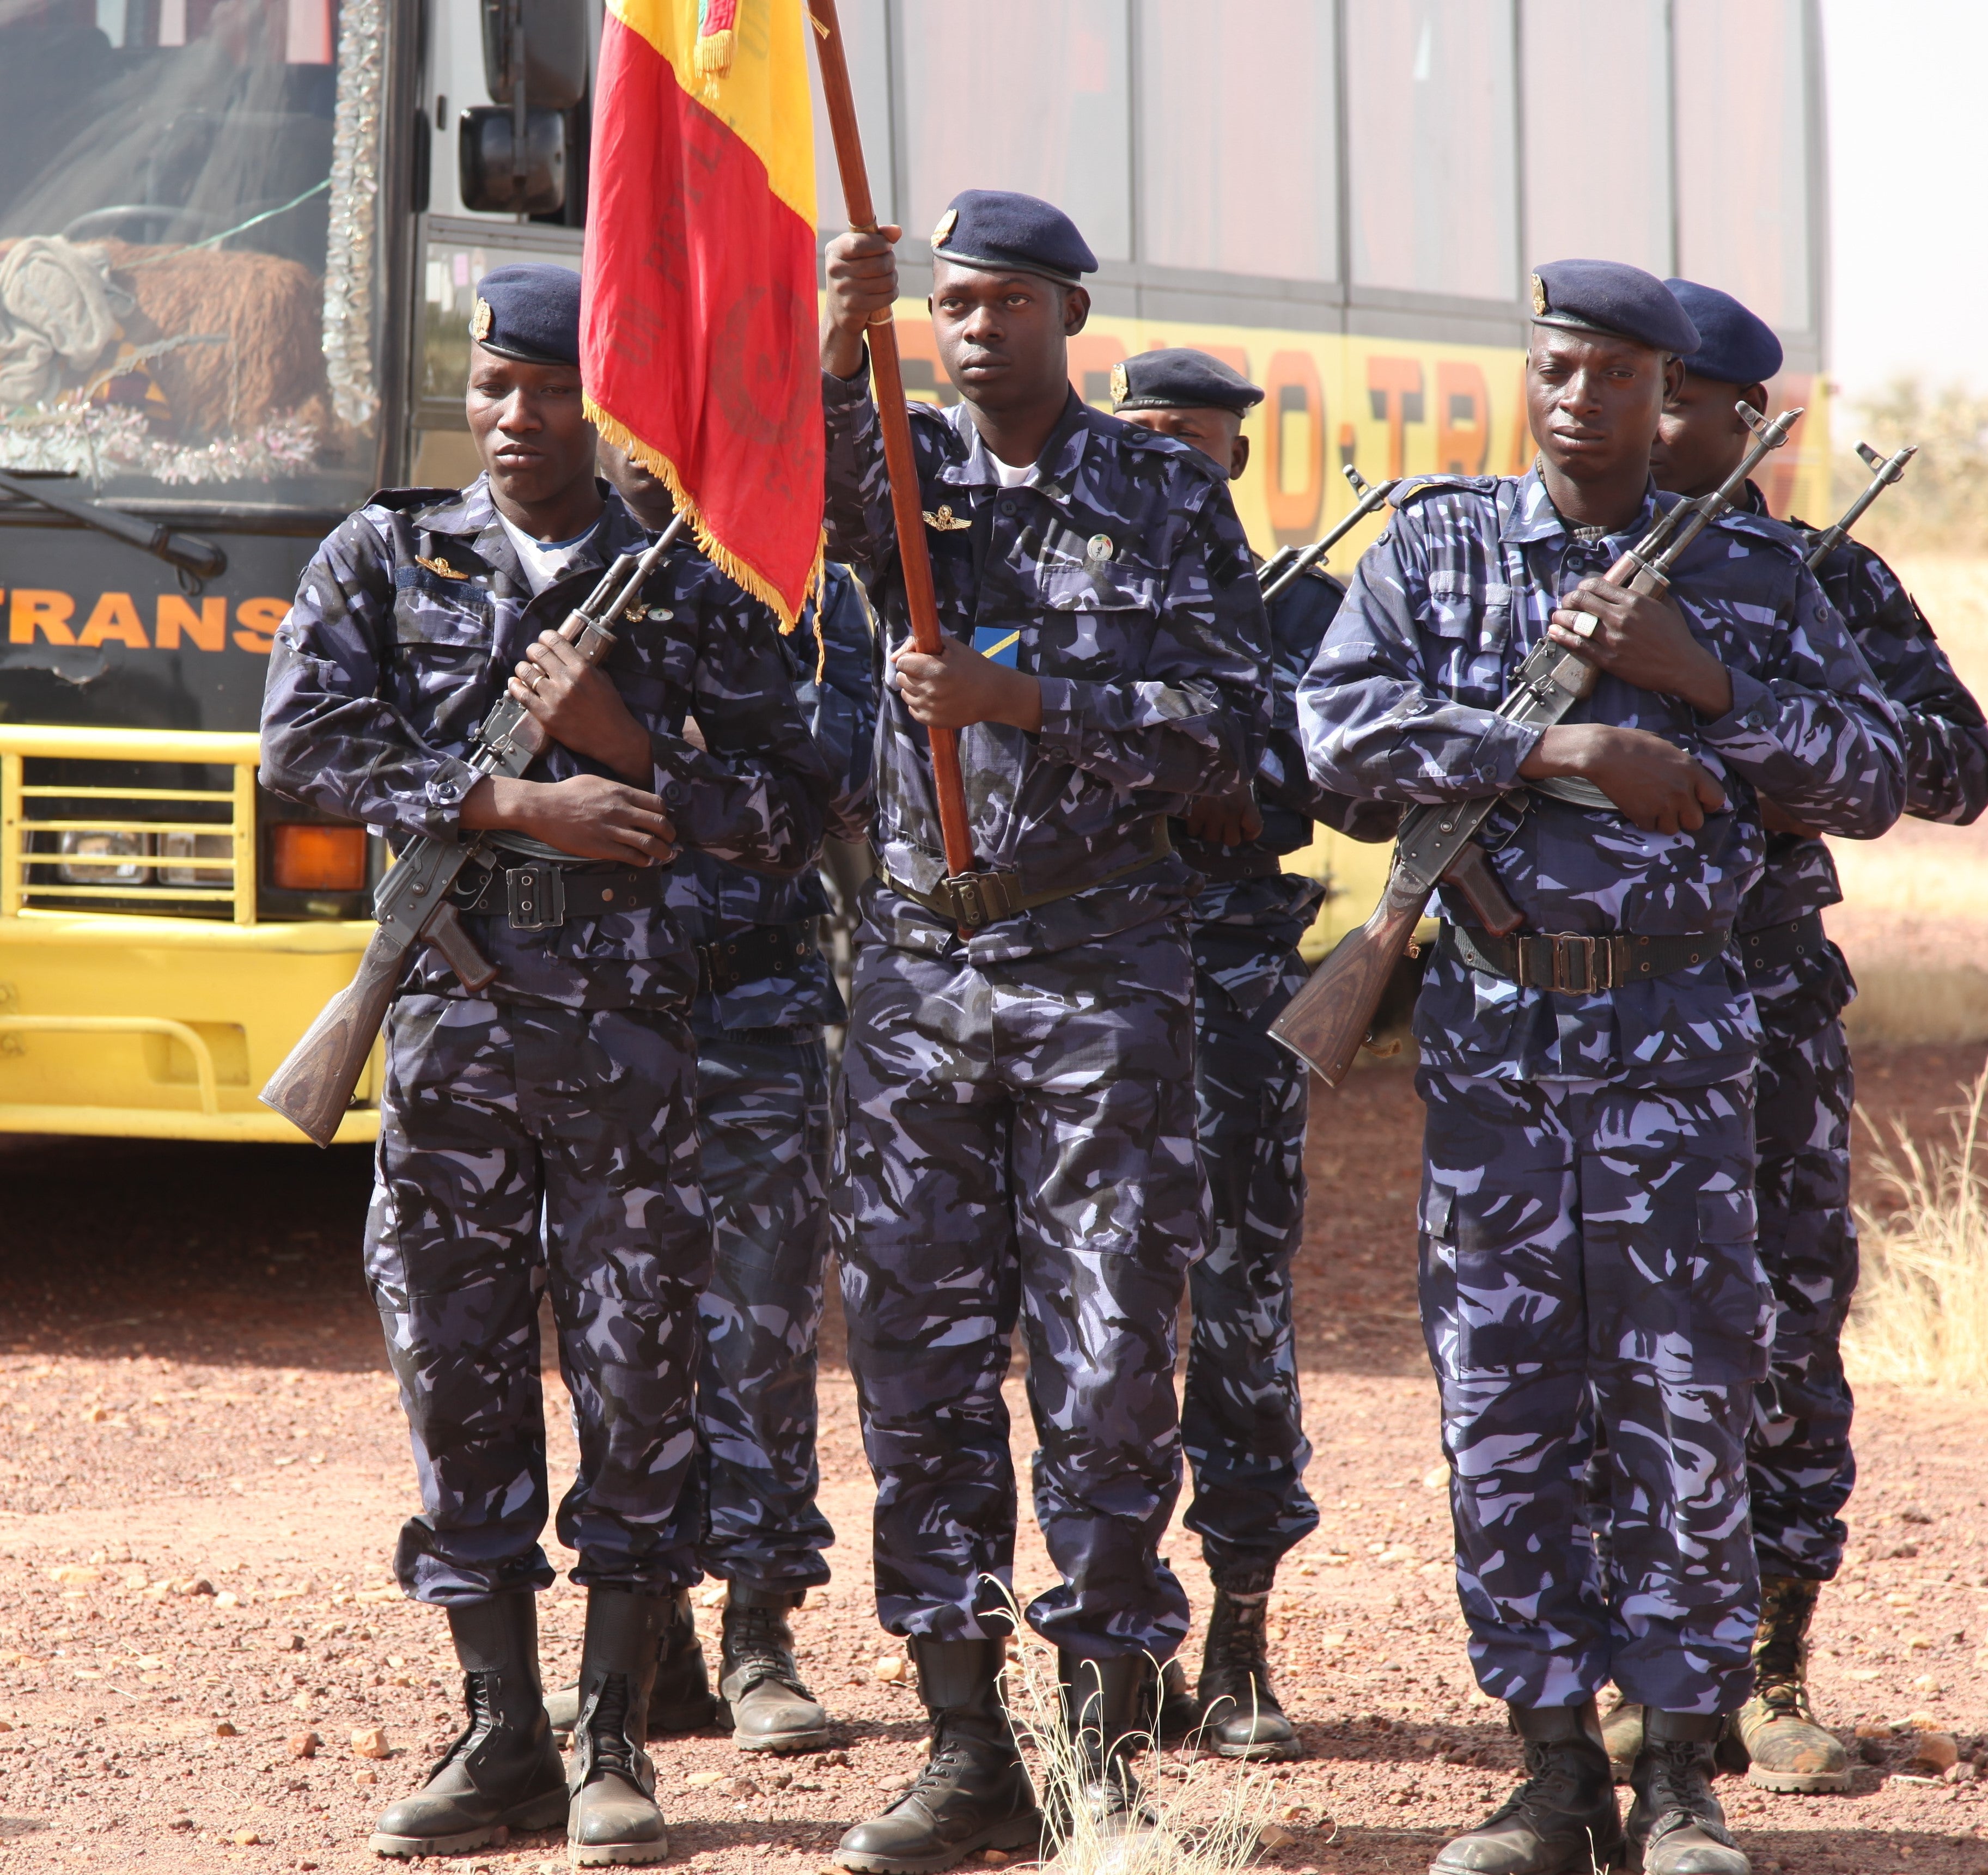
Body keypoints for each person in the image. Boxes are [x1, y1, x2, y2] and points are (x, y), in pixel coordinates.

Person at [1298, 259, 1904, 1875]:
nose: (1580, 398)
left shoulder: (1756, 576)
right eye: (1557, 366)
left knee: (1685, 1404)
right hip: (1495, 1043)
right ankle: (1547, 1768)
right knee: (1503, 1404)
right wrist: (1555, 746)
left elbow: (1871, 773)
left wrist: (1697, 679)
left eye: (1616, 376)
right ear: (1534, 374)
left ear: (1665, 396)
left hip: (1683, 1048)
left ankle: (1683, 1779)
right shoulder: (1431, 550)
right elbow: (1331, 737)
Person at [259, 264, 830, 1865]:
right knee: (456, 1369)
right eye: (493, 388)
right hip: (449, 1021)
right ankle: (499, 1730)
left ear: (607, 405)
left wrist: (634, 756)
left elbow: (799, 807)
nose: (515, 422)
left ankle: (611, 1739)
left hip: (635, 1039)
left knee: (642, 1379)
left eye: (550, 392)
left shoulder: (687, 591)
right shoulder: (386, 553)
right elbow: (300, 742)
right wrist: (512, 802)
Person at [816, 192, 1272, 1870]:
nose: (974, 325)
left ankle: (1095, 1750)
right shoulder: (904, 475)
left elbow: (1236, 738)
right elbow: (778, 503)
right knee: (921, 1376)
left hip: (1101, 976)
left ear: (1070, 314)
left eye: (1007, 299)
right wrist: (829, 334)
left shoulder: (1160, 492)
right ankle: (958, 1750)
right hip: (921, 989)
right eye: (949, 302)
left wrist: (1031, 703)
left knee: (1099, 1373)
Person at [1595, 278, 1988, 1796]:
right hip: (1584, 1009)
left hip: (1756, 1002)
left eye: (1674, 400)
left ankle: (1768, 1671)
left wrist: (1756, 724)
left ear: (1740, 421)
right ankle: (1624, 1677)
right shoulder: (1549, 563)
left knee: (1774, 1333)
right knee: (1593, 1340)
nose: (1640, 420)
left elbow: (1947, 765)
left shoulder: (1822, 577)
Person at [534, 441, 878, 1756]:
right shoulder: (540, 576)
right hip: (588, 1015)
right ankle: (647, 1645)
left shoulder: (801, 589)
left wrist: (637, 749)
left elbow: (828, 791)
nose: (637, 439)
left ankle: (760, 1632)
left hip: (748, 1006)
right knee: (611, 1334)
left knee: (759, 1330)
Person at [1108, 348, 1399, 1761]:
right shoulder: (1073, 599)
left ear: (1233, 458)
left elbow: (1349, 788)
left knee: (1233, 1307)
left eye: (1195, 443)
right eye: (1144, 439)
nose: (1172, 462)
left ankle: (1236, 1637)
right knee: (1090, 1312)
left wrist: (1246, 774)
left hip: (1228, 984)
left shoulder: (1302, 606)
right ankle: (1111, 1642)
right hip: (1089, 979)